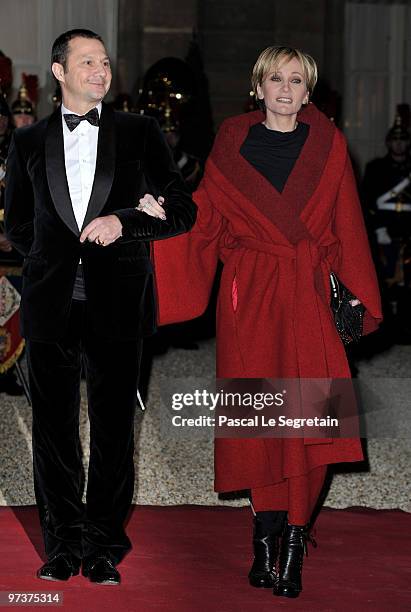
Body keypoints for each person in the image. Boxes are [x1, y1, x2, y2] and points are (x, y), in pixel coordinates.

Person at [151, 46, 382, 598]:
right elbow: (205, 216)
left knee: (312, 419)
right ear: (258, 87)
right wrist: (165, 218)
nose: (285, 88)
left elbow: (348, 225)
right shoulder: (232, 141)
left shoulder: (330, 145)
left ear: (309, 92)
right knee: (257, 419)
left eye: (296, 79)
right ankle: (264, 534)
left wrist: (356, 296)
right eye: (275, 78)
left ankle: (297, 540)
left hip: (308, 292)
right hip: (249, 295)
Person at [5, 28, 196, 585]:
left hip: (119, 304)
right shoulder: (26, 142)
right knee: (54, 432)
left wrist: (126, 222)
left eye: (106, 62)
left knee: (114, 433)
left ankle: (104, 546)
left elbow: (183, 209)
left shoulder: (140, 132)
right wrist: (54, 255)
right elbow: (15, 221)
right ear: (59, 72)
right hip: (50, 305)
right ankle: (62, 545)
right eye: (88, 62)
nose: (101, 71)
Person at [361, 109, 411, 342]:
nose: (399, 145)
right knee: (386, 280)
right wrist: (378, 228)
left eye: (403, 140)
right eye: (395, 140)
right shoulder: (376, 168)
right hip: (385, 231)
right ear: (388, 142)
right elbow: (368, 200)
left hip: (409, 230)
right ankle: (386, 330)